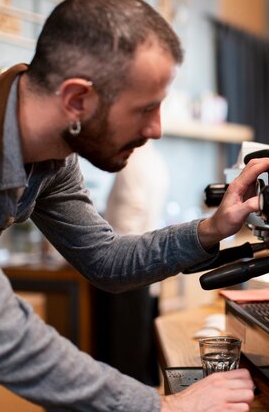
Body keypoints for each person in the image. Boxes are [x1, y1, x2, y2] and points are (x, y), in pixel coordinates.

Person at [0, 0, 269, 411]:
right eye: (146, 108)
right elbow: (3, 334)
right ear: (76, 101)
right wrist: (162, 408)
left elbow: (106, 259)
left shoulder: (53, 161)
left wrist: (212, 228)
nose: (156, 129)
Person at [96, 143, 171, 387]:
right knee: (139, 358)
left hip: (125, 271)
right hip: (144, 268)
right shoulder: (155, 160)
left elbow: (126, 225)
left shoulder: (132, 162)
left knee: (124, 361)